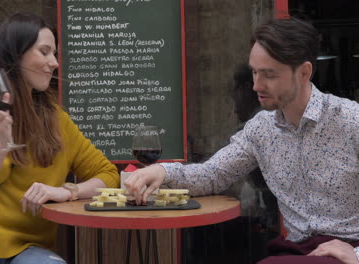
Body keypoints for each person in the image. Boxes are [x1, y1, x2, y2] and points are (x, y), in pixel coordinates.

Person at [125, 17, 358, 264]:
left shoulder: (352, 121)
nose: (257, 85)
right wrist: (163, 171)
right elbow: (214, 174)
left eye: (269, 75)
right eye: (254, 72)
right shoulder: (260, 129)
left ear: (303, 72)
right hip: (295, 251)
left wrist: (355, 255)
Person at [0, 12, 119, 264]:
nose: (55, 63)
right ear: (17, 55)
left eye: (55, 54)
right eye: (45, 52)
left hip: (29, 249)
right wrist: (0, 145)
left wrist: (68, 191)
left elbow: (108, 175)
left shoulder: (57, 120)